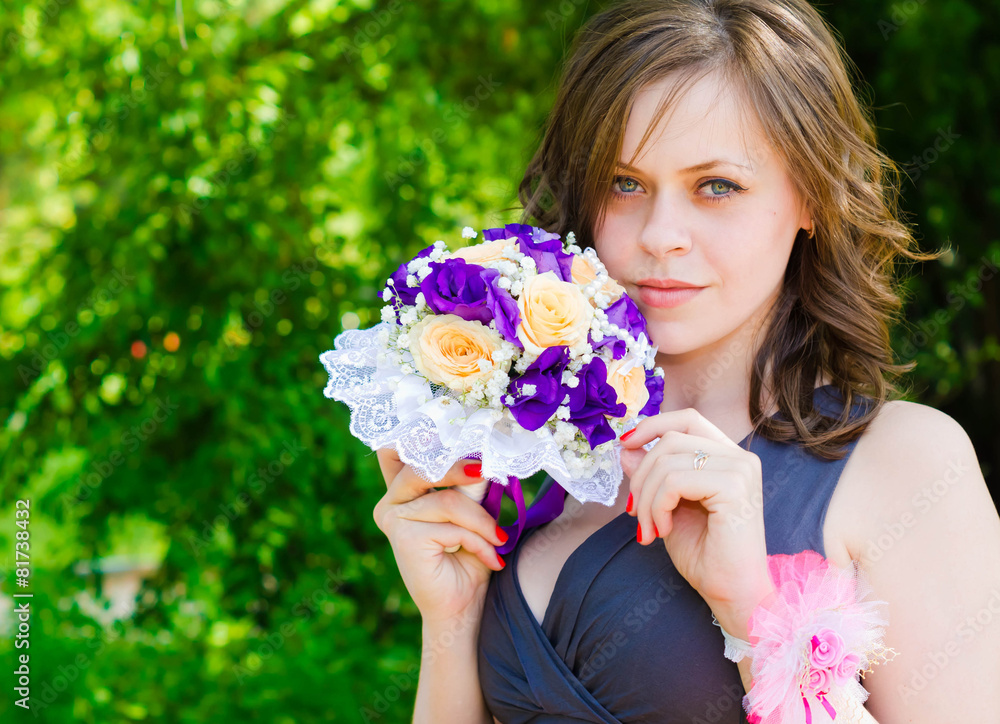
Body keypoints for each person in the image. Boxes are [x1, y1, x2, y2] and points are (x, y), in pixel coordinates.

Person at [372, 1, 1000, 721]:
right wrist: (450, 621)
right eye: (625, 182)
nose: (661, 235)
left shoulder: (907, 466)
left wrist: (749, 612)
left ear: (813, 198)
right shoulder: (531, 454)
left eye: (717, 186)